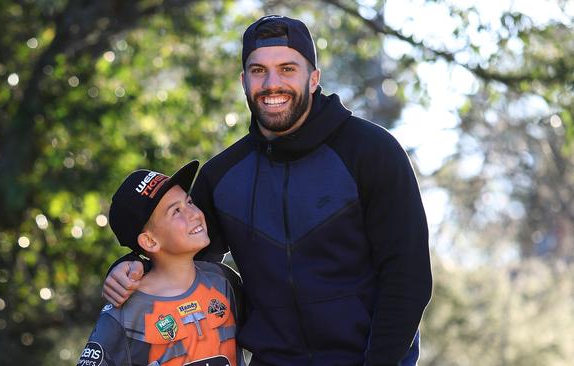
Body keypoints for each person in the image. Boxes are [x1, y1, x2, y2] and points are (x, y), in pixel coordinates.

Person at [103, 15, 432, 366]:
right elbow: (174, 251)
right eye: (259, 71)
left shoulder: (372, 152)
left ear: (314, 78)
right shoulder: (223, 176)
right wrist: (130, 265)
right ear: (244, 81)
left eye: (287, 69)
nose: (272, 84)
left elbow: (407, 277)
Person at [78, 161, 245, 366]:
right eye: (176, 211)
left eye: (190, 202)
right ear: (150, 241)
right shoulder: (125, 312)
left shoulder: (223, 281)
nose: (194, 214)